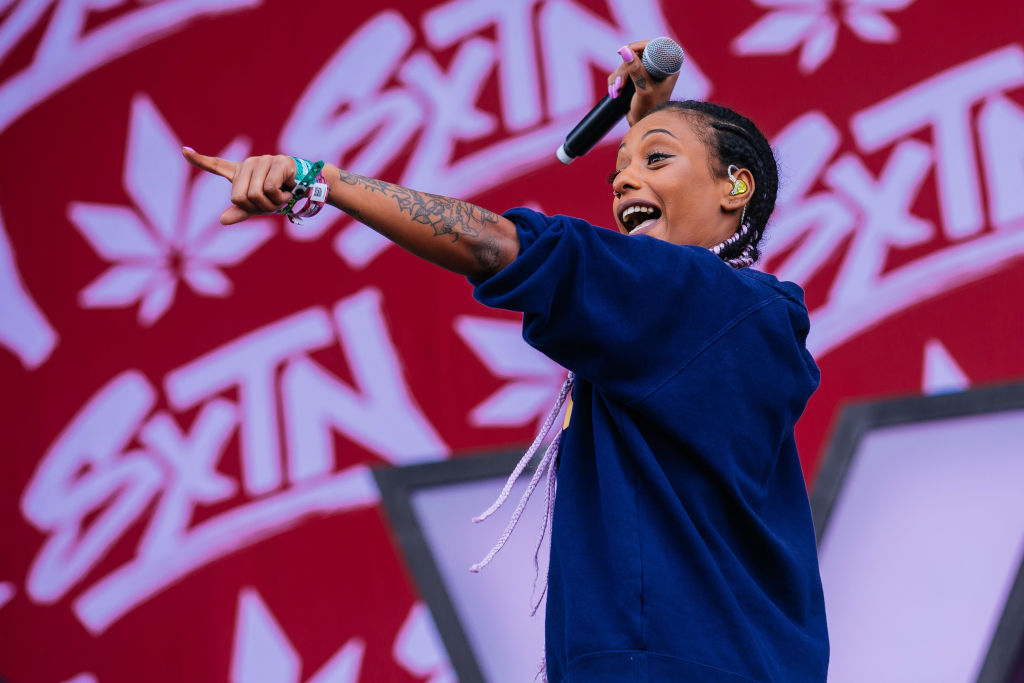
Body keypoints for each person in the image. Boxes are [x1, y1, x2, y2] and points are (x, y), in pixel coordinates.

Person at [183, 40, 829, 683]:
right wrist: (652, 130)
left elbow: (497, 246)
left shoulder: (695, 299)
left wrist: (321, 180)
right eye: (619, 170)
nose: (622, 181)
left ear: (736, 186)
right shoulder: (724, 319)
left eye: (656, 159)